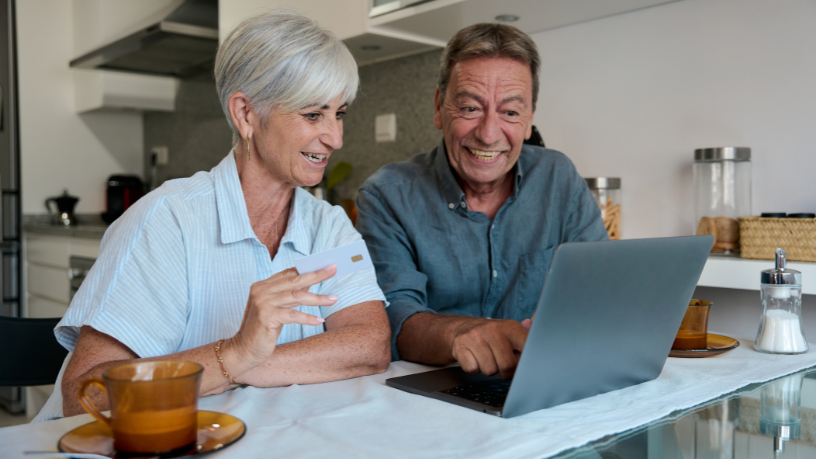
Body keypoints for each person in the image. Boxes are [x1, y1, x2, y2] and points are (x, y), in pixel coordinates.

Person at [34, 10, 390, 422]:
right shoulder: (167, 220)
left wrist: (246, 366)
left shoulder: (329, 227)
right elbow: (84, 397)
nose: (336, 137)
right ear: (245, 115)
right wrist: (234, 354)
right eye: (313, 115)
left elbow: (369, 345)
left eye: (339, 113)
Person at [355, 23, 607, 380]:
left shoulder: (558, 178)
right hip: (434, 390)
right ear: (440, 106)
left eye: (510, 112)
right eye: (471, 108)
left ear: (530, 117)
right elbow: (392, 318)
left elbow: (599, 286)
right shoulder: (387, 194)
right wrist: (462, 334)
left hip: (540, 382)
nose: (489, 135)